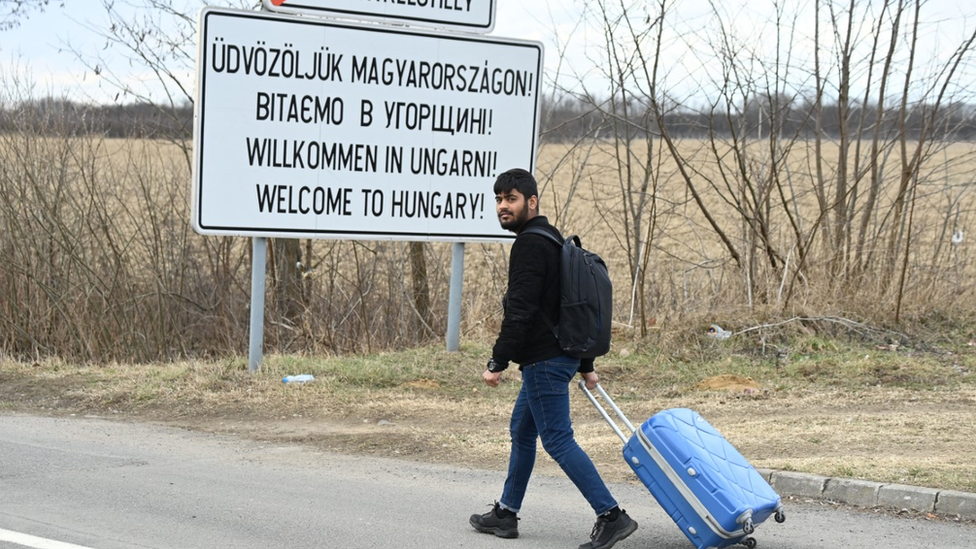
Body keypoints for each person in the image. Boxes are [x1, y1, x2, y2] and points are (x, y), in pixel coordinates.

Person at [469, 168, 638, 549]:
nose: (502, 206)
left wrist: (497, 362)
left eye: (510, 199)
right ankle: (506, 513)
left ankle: (612, 516)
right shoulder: (553, 239)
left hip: (544, 361)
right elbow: (568, 309)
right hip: (555, 357)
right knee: (523, 431)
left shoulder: (530, 244)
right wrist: (586, 364)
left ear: (531, 202)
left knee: (558, 440)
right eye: (498, 199)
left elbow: (522, 310)